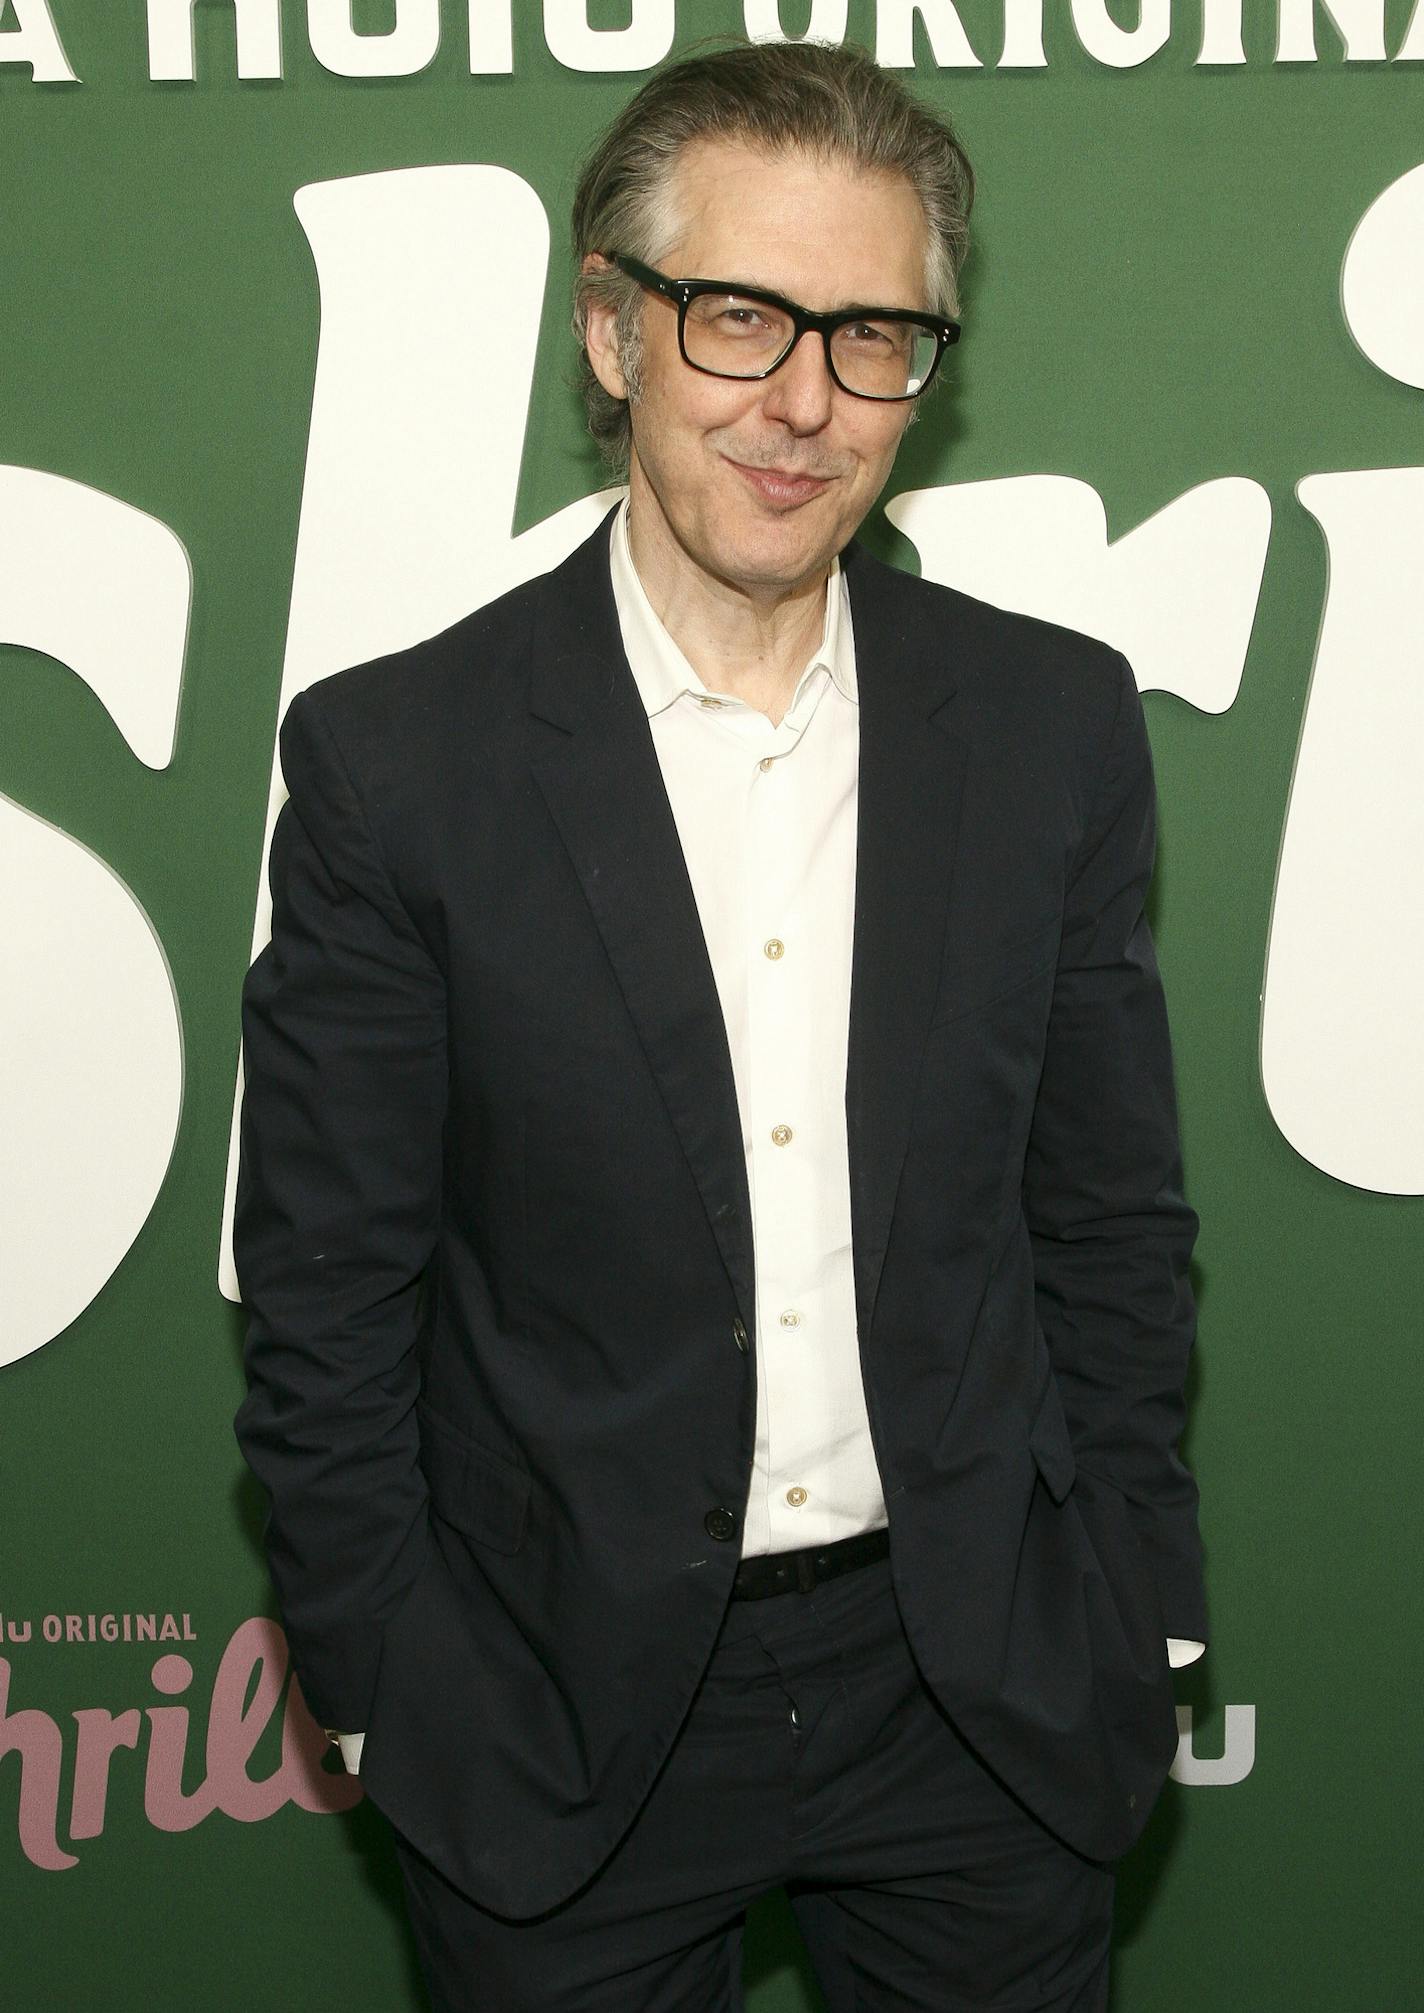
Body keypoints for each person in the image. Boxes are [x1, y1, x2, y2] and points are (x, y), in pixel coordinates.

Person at [233, 37, 1206, 2013]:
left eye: (872, 336)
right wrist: (397, 1693)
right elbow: (327, 1298)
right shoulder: (397, 764)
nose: (802, 401)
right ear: (612, 334)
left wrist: (1137, 1613)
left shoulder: (1047, 730)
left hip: (975, 1695)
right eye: (740, 316)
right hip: (555, 1705)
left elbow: (1107, 1225)